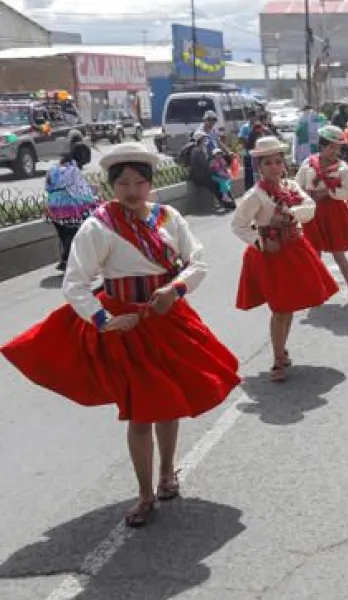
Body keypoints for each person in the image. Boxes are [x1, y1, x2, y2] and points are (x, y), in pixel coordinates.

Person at [1, 143, 240, 528]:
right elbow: (75, 283)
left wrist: (175, 289)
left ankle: (167, 473)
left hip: (169, 317)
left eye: (139, 182)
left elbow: (198, 261)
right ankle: (146, 493)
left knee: (169, 399)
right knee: (142, 410)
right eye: (123, 183)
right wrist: (103, 320)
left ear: (150, 184)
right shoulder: (98, 226)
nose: (132, 190)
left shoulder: (168, 217)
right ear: (111, 186)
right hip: (127, 327)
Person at [232, 136, 339, 382]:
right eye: (268, 163)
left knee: (287, 306)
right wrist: (260, 241)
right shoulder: (255, 195)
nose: (274, 167)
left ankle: (281, 350)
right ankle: (278, 358)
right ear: (259, 167)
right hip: (270, 255)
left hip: (293, 249)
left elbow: (310, 208)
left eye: (278, 162)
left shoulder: (290, 187)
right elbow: (238, 225)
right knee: (280, 308)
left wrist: (291, 213)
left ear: (284, 164)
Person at [295, 125, 348, 304]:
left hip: (333, 213)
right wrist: (305, 196)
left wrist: (328, 193)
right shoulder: (308, 163)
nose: (335, 151)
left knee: (338, 254)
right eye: (331, 146)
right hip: (312, 212)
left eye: (337, 147)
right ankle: (316, 291)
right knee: (314, 254)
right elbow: (297, 185)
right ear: (322, 146)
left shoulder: (342, 168)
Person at [45, 132, 99, 271]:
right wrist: (94, 197)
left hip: (53, 206)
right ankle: (68, 260)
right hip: (69, 208)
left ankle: (65, 259)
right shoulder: (74, 171)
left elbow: (49, 187)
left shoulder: (54, 169)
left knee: (63, 234)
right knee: (73, 233)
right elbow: (81, 194)